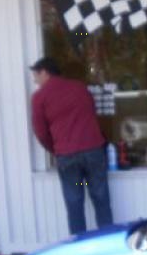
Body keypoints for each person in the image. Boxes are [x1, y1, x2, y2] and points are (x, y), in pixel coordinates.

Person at [30, 57, 113, 235]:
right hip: (93, 152)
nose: (35, 80)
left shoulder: (40, 97)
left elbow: (40, 131)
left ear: (44, 72)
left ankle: (78, 246)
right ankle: (109, 241)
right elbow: (93, 113)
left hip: (68, 158)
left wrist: (56, 149)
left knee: (74, 201)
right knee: (101, 197)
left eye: (36, 75)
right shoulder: (79, 88)